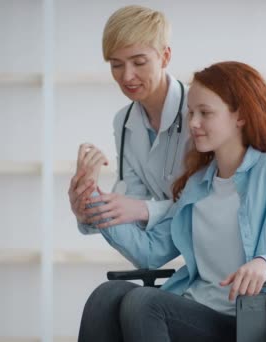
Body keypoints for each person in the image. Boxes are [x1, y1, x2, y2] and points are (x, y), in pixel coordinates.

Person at [76, 61, 266, 342]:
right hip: (194, 309)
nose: (193, 123)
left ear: (241, 116)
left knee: (145, 304)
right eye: (191, 113)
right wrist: (91, 200)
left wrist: (265, 263)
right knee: (106, 296)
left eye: (205, 113)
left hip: (247, 321)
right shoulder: (198, 183)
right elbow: (150, 251)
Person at [69, 5, 190, 234]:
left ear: (165, 57)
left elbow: (212, 205)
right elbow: (128, 205)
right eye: (116, 64)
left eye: (139, 62)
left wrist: (144, 210)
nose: (126, 76)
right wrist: (87, 206)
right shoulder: (124, 122)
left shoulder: (198, 110)